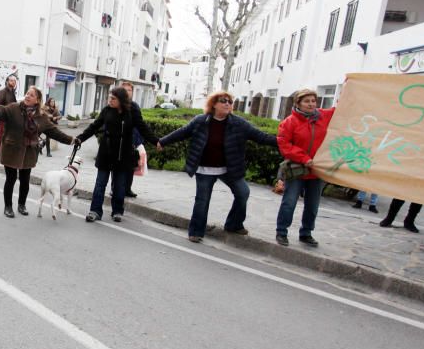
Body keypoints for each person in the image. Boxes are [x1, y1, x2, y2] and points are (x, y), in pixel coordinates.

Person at [157, 90, 277, 242]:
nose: (227, 104)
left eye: (230, 101)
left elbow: (261, 137)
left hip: (228, 168)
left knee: (243, 192)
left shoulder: (238, 123)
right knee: (202, 200)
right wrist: (162, 141)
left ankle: (234, 224)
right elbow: (183, 132)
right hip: (204, 169)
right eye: (223, 100)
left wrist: (283, 143)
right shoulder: (201, 121)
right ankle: (195, 232)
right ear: (213, 104)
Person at [0, 86, 74, 217]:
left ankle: (21, 205)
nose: (27, 96)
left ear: (37, 100)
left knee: (25, 180)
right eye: (27, 93)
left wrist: (71, 140)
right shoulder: (13, 108)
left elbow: (55, 132)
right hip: (12, 150)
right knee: (11, 179)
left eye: (31, 95)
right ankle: (8, 206)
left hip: (29, 153)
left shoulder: (41, 117)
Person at [74, 86, 158, 223]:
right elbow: (94, 126)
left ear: (121, 100)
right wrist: (80, 138)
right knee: (100, 184)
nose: (110, 100)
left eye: (113, 98)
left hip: (123, 154)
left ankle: (117, 211)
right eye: (109, 98)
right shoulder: (107, 111)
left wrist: (156, 142)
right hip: (106, 153)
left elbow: (143, 128)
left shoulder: (132, 111)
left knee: (119, 186)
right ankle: (95, 211)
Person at [275, 88, 336, 247]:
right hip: (297, 169)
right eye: (307, 101)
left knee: (313, 205)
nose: (311, 104)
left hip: (316, 171)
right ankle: (282, 232)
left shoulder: (323, 116)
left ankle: (306, 233)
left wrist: (349, 85)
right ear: (298, 103)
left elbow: (341, 109)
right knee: (289, 202)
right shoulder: (289, 122)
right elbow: (284, 145)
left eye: (313, 101)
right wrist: (305, 158)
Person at [119, 81, 141, 198]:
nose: (127, 92)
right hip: (118, 143)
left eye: (130, 90)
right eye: (125, 90)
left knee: (130, 167)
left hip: (131, 142)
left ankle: (127, 189)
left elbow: (140, 125)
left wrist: (138, 141)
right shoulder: (116, 105)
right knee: (117, 168)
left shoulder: (135, 106)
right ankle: (115, 189)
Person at [0, 72, 18, 153]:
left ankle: (4, 151)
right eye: (11, 81)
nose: (13, 82)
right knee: (1, 134)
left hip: (10, 117)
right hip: (3, 117)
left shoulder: (12, 92)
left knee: (8, 135)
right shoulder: (2, 92)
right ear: (7, 81)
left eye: (14, 81)